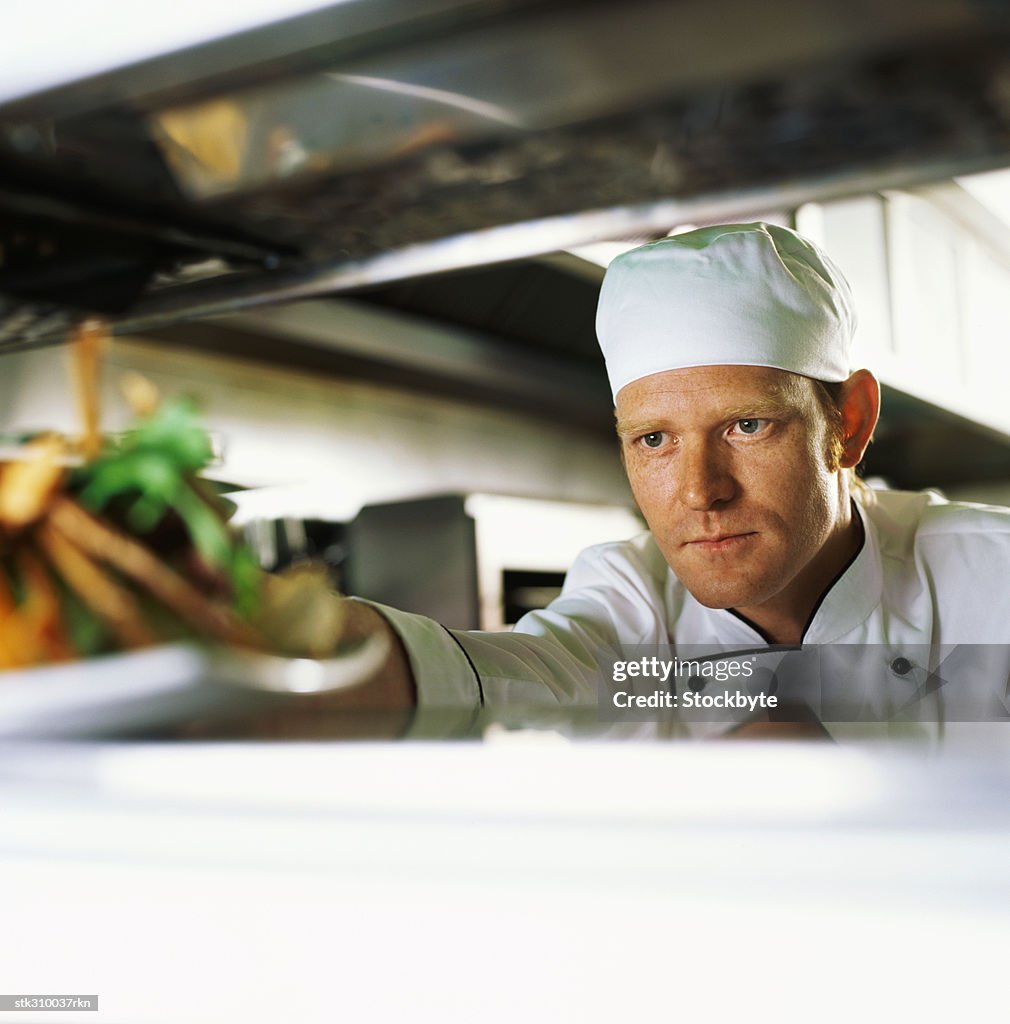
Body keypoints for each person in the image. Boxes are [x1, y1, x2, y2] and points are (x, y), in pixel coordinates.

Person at [332, 222, 1010, 733]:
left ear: (850, 424)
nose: (700, 491)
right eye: (655, 439)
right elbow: (516, 676)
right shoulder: (635, 611)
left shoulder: (993, 579)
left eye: (748, 426)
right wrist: (305, 654)